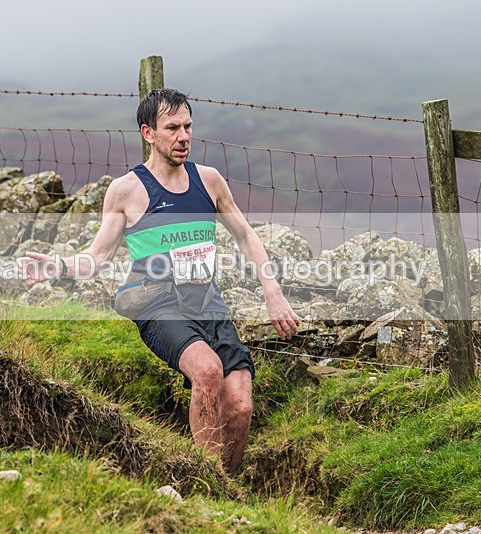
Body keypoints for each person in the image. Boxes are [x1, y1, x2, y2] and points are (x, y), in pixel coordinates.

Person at [18, 88, 299, 474]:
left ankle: (224, 486)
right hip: (157, 304)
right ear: (148, 133)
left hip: (207, 302)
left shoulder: (209, 181)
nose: (183, 136)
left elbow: (245, 235)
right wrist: (58, 266)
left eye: (188, 127)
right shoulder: (126, 191)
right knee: (207, 371)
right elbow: (97, 257)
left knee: (239, 404)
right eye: (172, 128)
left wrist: (273, 292)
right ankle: (205, 483)